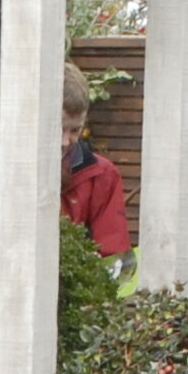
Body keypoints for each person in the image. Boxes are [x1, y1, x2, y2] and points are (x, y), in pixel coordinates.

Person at [59, 65, 129, 260]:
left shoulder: (103, 175)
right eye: (59, 128)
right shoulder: (11, 168)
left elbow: (113, 256)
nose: (65, 141)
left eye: (75, 130)